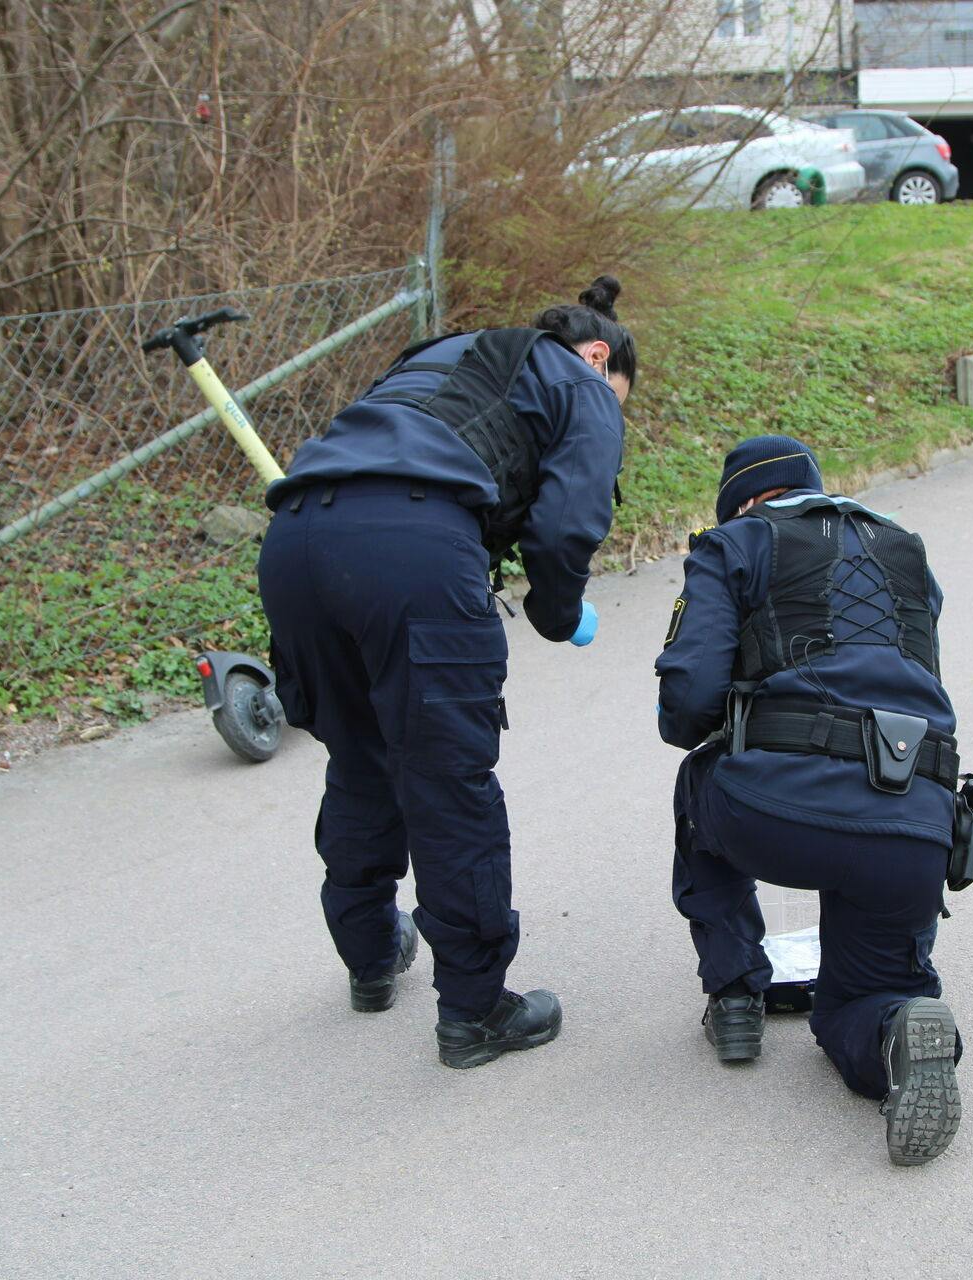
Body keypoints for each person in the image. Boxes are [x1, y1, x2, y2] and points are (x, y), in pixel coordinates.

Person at [257, 277, 635, 1069]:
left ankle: (369, 957)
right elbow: (568, 524)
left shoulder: (437, 354)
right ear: (600, 355)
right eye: (622, 395)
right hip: (415, 547)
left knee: (360, 752)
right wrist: (560, 616)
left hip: (294, 539)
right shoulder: (582, 381)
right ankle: (474, 1012)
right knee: (446, 778)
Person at [654, 434, 966, 1164]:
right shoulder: (907, 550)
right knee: (862, 997)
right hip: (918, 822)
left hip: (777, 815)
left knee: (700, 779)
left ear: (742, 503)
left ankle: (735, 993)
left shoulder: (733, 544)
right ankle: (898, 1029)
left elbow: (686, 708)